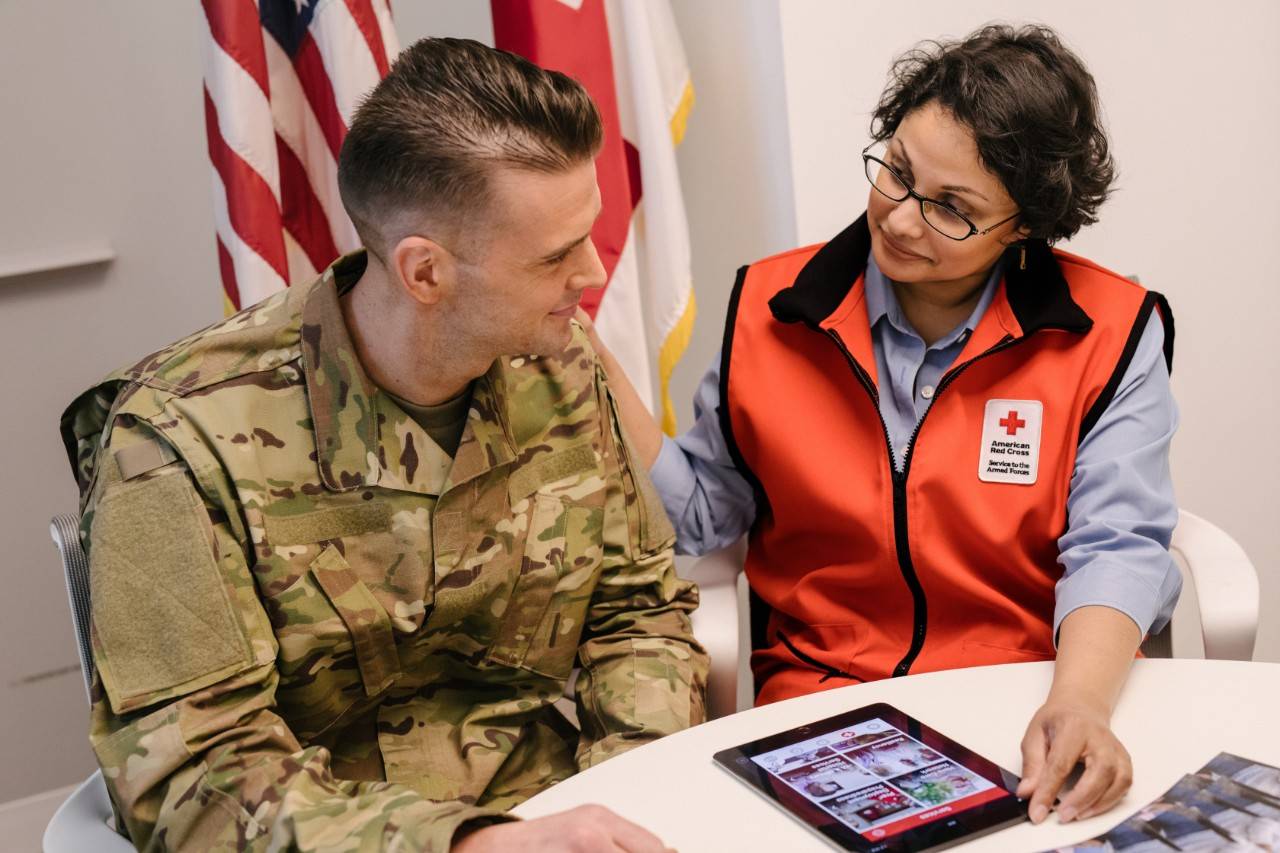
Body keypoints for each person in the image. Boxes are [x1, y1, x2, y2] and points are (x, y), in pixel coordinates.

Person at [61, 37, 706, 852]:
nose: (592, 271)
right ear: (424, 273)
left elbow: (636, 612)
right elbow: (196, 775)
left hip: (555, 812)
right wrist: (472, 844)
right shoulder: (170, 442)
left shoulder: (560, 366)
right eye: (555, 256)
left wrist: (633, 794)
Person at [586, 24, 1180, 828]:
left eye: (951, 209)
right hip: (825, 708)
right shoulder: (770, 310)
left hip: (1025, 695)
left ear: (1026, 229)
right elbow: (699, 516)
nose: (901, 221)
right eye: (897, 173)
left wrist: (1077, 699)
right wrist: (597, 360)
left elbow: (1117, 542)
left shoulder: (1107, 330)